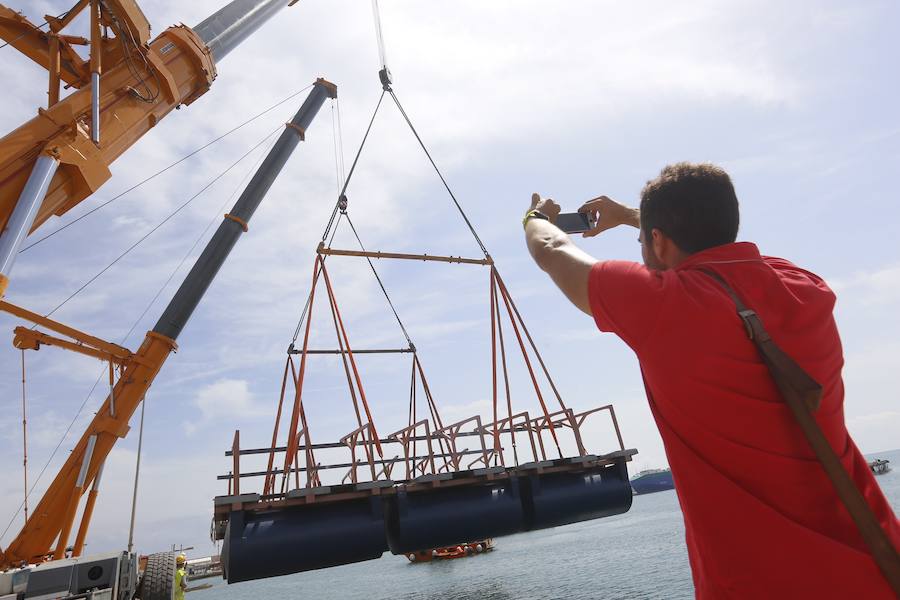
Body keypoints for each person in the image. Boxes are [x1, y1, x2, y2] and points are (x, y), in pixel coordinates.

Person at [522, 162, 900, 598]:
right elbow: (716, 251)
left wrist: (534, 219)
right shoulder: (805, 287)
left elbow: (551, 249)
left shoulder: (662, 306)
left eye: (644, 238)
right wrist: (635, 217)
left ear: (658, 241)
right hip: (874, 571)